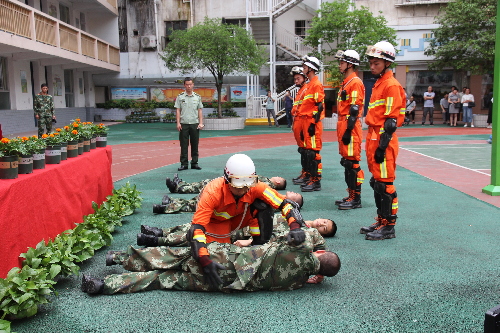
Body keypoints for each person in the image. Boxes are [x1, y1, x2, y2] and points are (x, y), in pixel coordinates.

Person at [80, 232, 341, 294]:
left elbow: (302, 235)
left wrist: (315, 246)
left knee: (173, 256)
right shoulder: (296, 283)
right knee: (162, 280)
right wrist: (312, 278)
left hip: (227, 259)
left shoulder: (303, 250)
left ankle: (119, 258)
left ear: (318, 254)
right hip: (227, 284)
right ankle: (103, 285)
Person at [185, 153, 308, 284]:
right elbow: (197, 229)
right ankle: (161, 238)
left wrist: (295, 227)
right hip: (214, 224)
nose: (244, 189)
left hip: (238, 219)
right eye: (239, 185)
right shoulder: (212, 192)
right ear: (227, 180)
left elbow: (285, 203)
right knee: (204, 250)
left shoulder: (255, 186)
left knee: (263, 206)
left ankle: (258, 245)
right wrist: (204, 260)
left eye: (247, 184)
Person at [361, 41, 406, 241]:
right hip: (373, 136)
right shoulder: (379, 83)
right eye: (371, 62)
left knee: (385, 185)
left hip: (382, 139)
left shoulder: (391, 85)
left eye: (376, 63)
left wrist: (382, 145)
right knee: (377, 182)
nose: (372, 66)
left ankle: (389, 226)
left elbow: (391, 122)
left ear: (387, 63)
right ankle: (381, 220)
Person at [139, 213, 336, 248]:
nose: (320, 224)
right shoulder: (296, 216)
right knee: (200, 226)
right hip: (243, 221)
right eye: (324, 221)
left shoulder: (302, 234)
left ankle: (156, 240)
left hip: (245, 235)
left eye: (324, 228)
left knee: (201, 239)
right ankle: (160, 232)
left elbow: (275, 239)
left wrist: (250, 242)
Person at [333, 50, 365, 210]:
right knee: (346, 162)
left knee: (352, 164)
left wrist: (348, 131)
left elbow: (354, 109)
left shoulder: (355, 82)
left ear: (350, 64)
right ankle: (351, 194)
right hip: (344, 124)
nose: (340, 65)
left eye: (342, 62)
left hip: (349, 126)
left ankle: (356, 198)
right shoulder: (347, 81)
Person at [296, 56, 325, 192]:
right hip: (306, 122)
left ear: (311, 68)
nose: (303, 69)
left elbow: (319, 106)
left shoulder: (316, 84)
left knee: (313, 154)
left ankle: (316, 181)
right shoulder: (310, 84)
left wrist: (313, 123)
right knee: (308, 152)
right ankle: (311, 178)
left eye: (305, 67)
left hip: (311, 122)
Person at [152, 190, 302, 215]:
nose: (293, 192)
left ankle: (166, 208)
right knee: (199, 202)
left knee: (198, 207)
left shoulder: (280, 203)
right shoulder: (278, 196)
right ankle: (170, 203)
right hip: (239, 201)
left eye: (296, 195)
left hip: (238, 207)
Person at [175, 77, 204, 171]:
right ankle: (184, 164)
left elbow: (200, 110)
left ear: (193, 85)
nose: (189, 86)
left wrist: (201, 123)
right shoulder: (180, 97)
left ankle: (194, 163)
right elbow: (178, 110)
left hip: (194, 124)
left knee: (195, 144)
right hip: (184, 124)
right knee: (183, 145)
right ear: (184, 85)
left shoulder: (197, 97)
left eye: (190, 84)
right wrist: (178, 123)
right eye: (187, 84)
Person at [165, 173, 286, 194]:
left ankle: (178, 188)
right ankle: (180, 185)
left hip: (232, 186)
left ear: (278, 181)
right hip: (232, 181)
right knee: (205, 183)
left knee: (204, 186)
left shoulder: (268, 185)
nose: (276, 176)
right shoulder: (267, 182)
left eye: (278, 177)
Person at [290, 66, 310, 186]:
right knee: (302, 150)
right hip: (298, 121)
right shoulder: (301, 90)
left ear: (304, 77)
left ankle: (307, 174)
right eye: (295, 79)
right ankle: (305, 173)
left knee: (306, 150)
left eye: (298, 78)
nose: (295, 81)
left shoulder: (306, 89)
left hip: (303, 121)